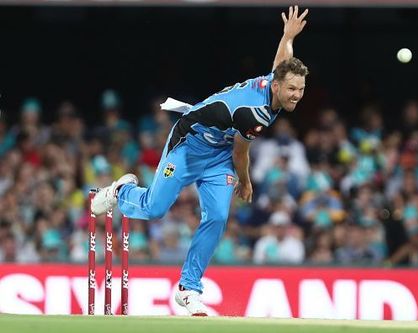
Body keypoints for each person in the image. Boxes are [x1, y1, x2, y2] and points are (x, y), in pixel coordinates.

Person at [91, 6, 309, 316]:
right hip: (189, 144)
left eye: (301, 89)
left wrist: (288, 36)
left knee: (218, 216)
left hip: (218, 155)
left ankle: (188, 288)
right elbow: (241, 153)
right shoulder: (255, 113)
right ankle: (120, 193)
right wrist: (246, 183)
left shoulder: (274, 84)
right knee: (155, 208)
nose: (297, 95)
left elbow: (281, 63)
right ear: (276, 86)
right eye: (292, 89)